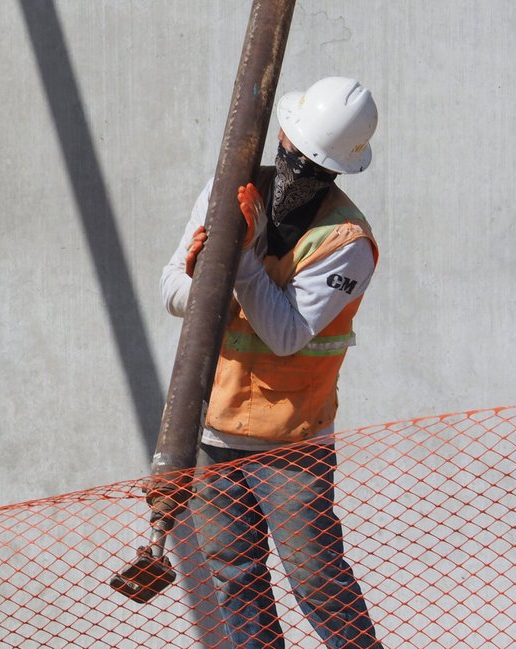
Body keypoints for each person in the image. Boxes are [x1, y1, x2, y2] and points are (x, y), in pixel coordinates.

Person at [160, 77, 385, 648]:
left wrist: (237, 263)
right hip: (214, 431)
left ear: (337, 171)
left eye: (313, 168)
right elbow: (172, 295)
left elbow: (285, 333)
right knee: (236, 579)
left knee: (318, 585)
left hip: (293, 444)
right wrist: (200, 276)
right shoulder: (228, 192)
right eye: (291, 156)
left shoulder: (347, 242)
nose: (295, 176)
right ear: (280, 135)